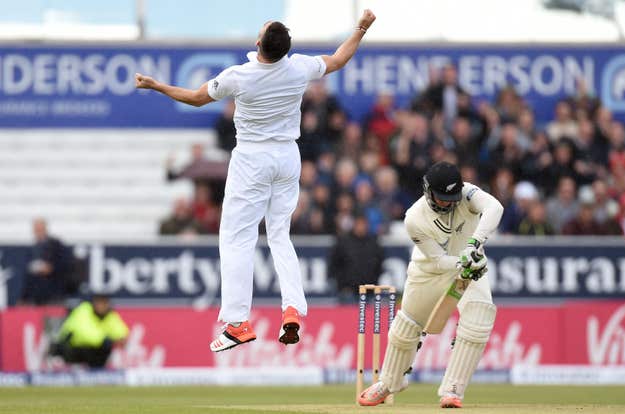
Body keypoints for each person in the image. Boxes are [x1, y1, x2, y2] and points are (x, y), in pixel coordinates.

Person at [135, 10, 377, 352]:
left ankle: (237, 323)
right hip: (287, 157)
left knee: (236, 237)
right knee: (279, 234)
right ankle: (292, 308)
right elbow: (338, 59)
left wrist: (156, 85)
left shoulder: (240, 76)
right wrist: (361, 29)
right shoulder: (298, 68)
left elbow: (194, 97)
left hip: (252, 158)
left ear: (258, 44)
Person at [358, 161, 504, 409]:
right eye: (443, 198)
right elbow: (436, 261)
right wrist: (462, 260)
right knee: (407, 327)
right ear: (428, 192)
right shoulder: (414, 218)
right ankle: (388, 382)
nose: (449, 202)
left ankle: (453, 390)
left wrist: (474, 245)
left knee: (479, 318)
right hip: (429, 270)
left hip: (472, 262)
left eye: (452, 197)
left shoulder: (467, 194)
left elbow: (495, 207)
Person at [50, 294, 129, 368]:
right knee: (98, 347)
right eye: (99, 302)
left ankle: (97, 371)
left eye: (104, 303)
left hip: (92, 350)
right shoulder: (84, 310)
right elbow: (85, 333)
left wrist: (121, 339)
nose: (102, 306)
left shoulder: (110, 315)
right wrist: (107, 341)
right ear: (94, 303)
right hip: (72, 348)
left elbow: (120, 330)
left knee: (104, 349)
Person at [327, 214, 384, 303]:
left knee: (367, 316)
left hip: (368, 291)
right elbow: (334, 264)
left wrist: (374, 283)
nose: (361, 227)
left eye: (363, 224)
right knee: (347, 316)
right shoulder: (344, 242)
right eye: (358, 224)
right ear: (354, 225)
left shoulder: (373, 243)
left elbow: (379, 264)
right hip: (348, 291)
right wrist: (342, 286)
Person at [21, 218, 75, 305]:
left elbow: (67, 264)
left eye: (40, 229)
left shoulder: (57, 245)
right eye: (36, 229)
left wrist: (51, 268)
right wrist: (24, 297)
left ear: (45, 229)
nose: (38, 232)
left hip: (55, 293)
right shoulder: (32, 249)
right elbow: (28, 275)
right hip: (37, 296)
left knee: (54, 317)